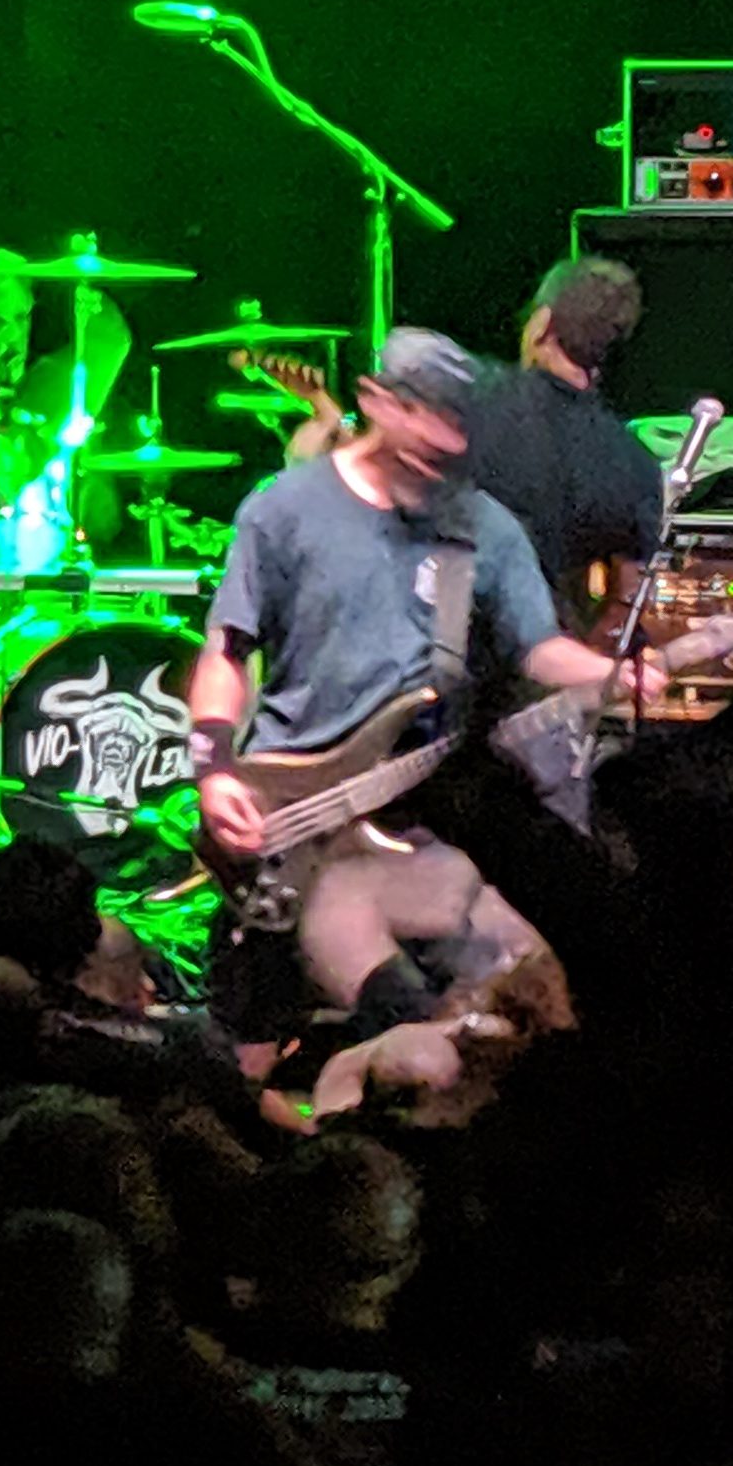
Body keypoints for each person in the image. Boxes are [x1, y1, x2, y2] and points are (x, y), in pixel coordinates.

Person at [185, 326, 667, 1034]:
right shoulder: (283, 509)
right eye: (425, 417)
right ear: (375, 401)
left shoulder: (482, 528)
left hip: (416, 819)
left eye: (456, 425)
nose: (442, 441)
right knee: (257, 1040)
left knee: (529, 981)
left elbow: (538, 651)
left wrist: (613, 674)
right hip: (288, 810)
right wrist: (215, 769)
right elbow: (225, 651)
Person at [458, 254, 667, 628]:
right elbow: (627, 600)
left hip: (437, 645)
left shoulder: (468, 398)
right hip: (545, 652)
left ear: (541, 324)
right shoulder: (635, 464)